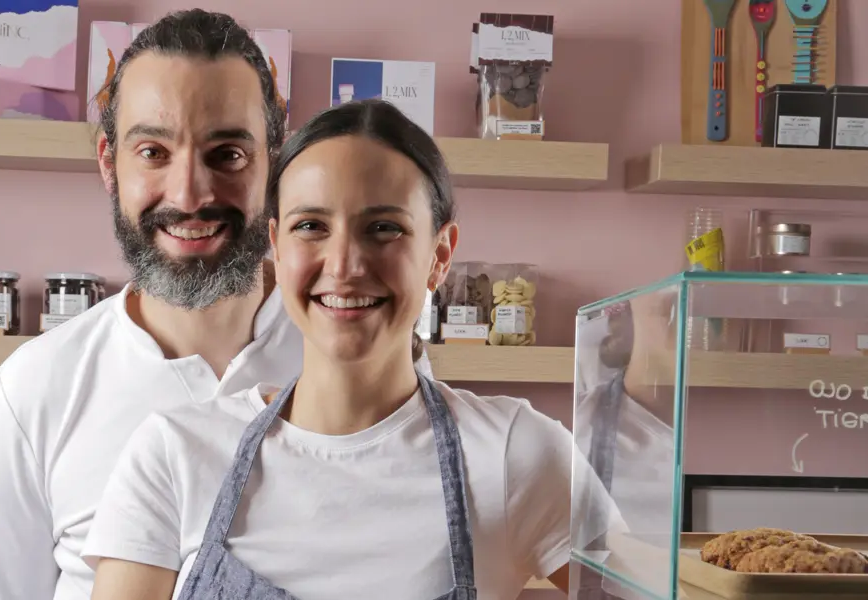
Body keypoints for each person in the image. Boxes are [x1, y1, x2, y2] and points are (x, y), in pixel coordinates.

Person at [0, 11, 431, 600]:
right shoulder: (31, 392)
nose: (189, 195)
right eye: (154, 152)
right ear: (110, 163)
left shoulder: (369, 351)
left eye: (228, 154)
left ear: (275, 163)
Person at [82, 99, 615, 599]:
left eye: (383, 228)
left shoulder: (513, 452)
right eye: (310, 226)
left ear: (440, 254)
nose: (343, 265)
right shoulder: (176, 451)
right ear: (277, 244)